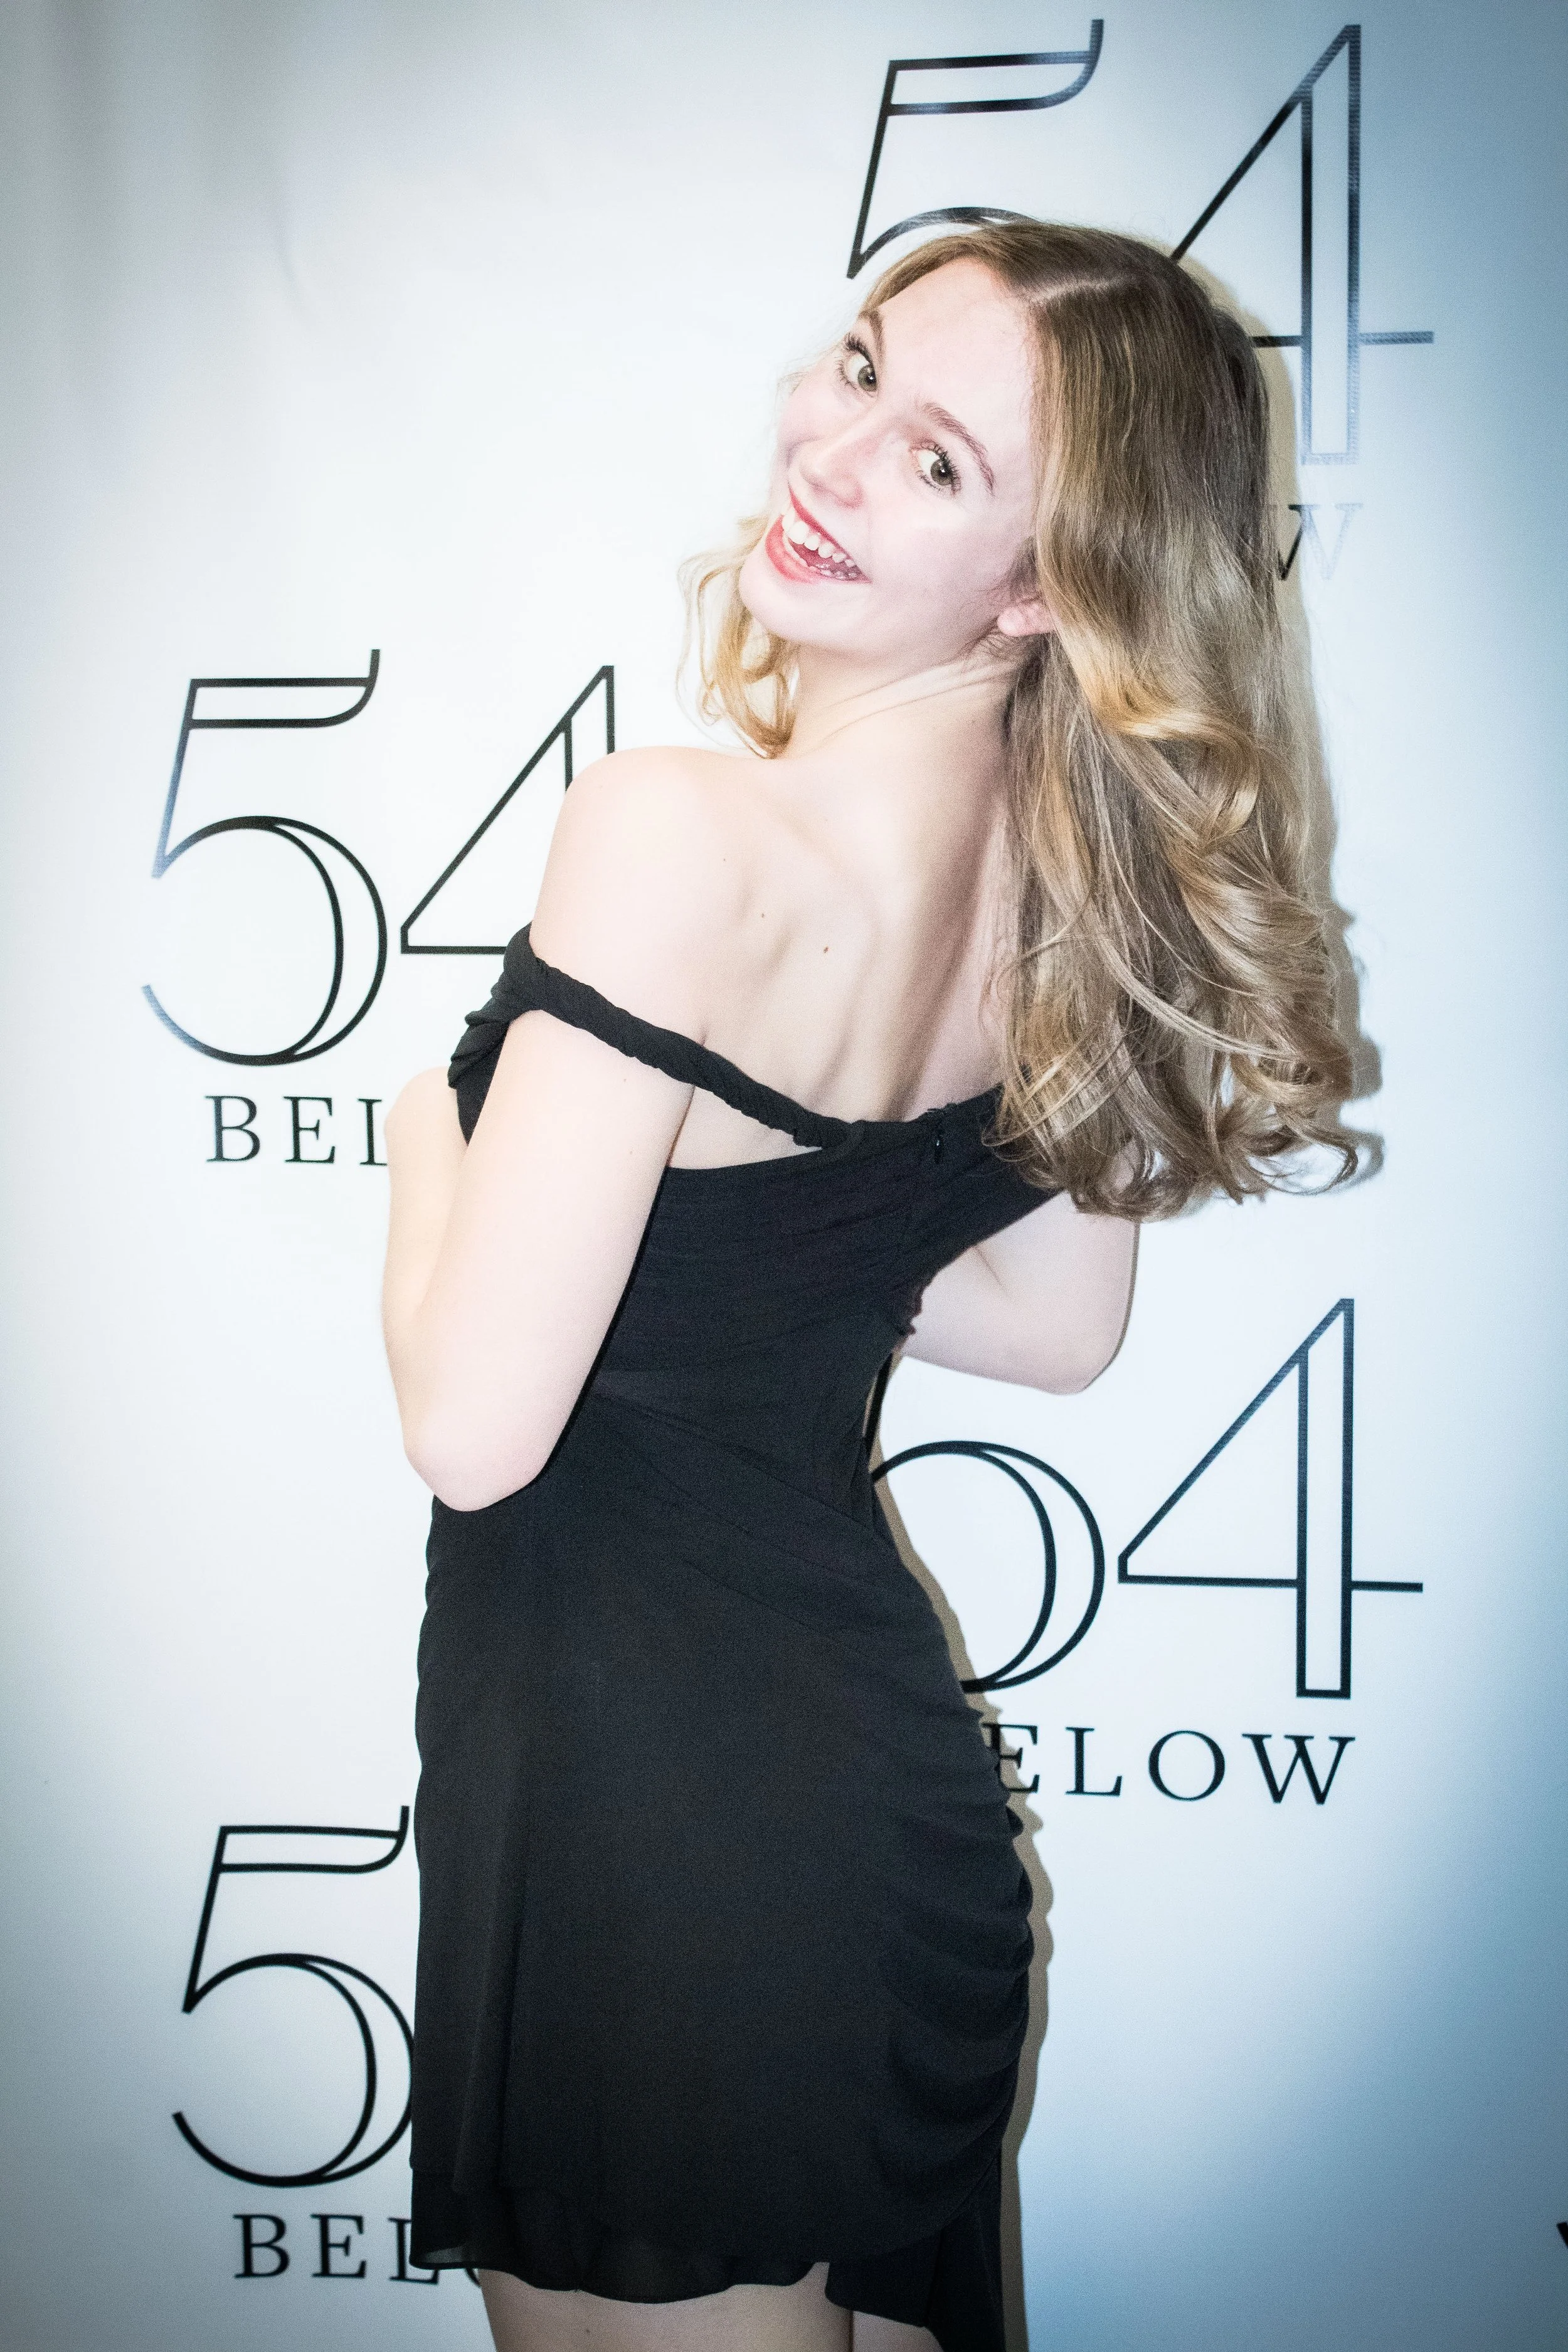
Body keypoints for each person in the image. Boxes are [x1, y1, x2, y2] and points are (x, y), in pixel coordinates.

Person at [381, 221, 1354, 2352]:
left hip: (655, 1842)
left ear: (1038, 587)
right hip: (857, 1826)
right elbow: (1053, 1326)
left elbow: (470, 1421)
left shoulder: (678, 830)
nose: (826, 453)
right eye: (853, 372)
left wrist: (420, 1142)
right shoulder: (1053, 917)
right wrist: (704, 1262)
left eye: (936, 463)